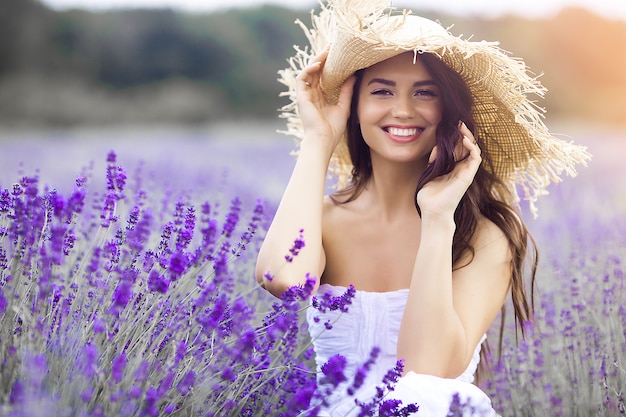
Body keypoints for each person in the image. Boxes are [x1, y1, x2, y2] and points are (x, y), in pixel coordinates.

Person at [255, 0, 590, 415]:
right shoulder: (324, 219)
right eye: (381, 91)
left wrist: (436, 220)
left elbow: (426, 377)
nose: (403, 110)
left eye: (424, 93)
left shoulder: (484, 234)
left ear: (448, 111)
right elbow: (284, 279)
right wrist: (318, 139)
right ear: (354, 105)